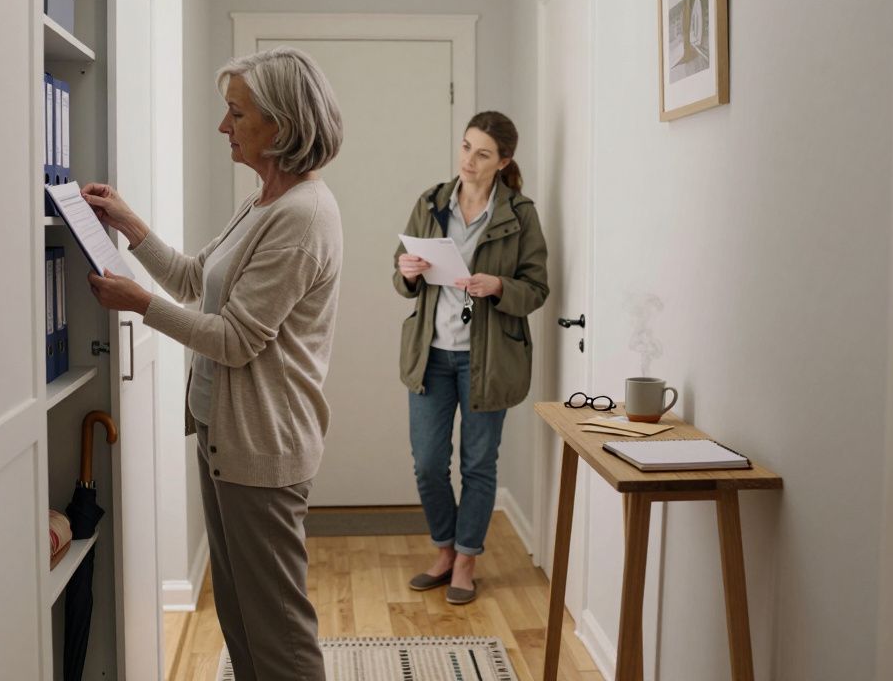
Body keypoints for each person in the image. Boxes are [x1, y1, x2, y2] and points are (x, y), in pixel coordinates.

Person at [83, 46, 342, 680]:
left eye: (237, 114)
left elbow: (235, 339)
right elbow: (200, 278)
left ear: (279, 125)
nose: (224, 126)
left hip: (263, 447)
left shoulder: (301, 217)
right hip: (225, 438)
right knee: (241, 616)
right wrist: (130, 225)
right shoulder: (265, 200)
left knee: (279, 631)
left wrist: (137, 304)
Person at [392, 111, 549, 605]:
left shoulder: (520, 215)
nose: (468, 161)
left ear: (503, 162)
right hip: (431, 356)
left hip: (490, 360)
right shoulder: (431, 202)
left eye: (482, 154)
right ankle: (443, 548)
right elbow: (402, 282)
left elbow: (537, 288)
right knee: (428, 463)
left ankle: (465, 560)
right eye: (465, 147)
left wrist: (500, 285)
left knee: (479, 464)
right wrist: (408, 271)